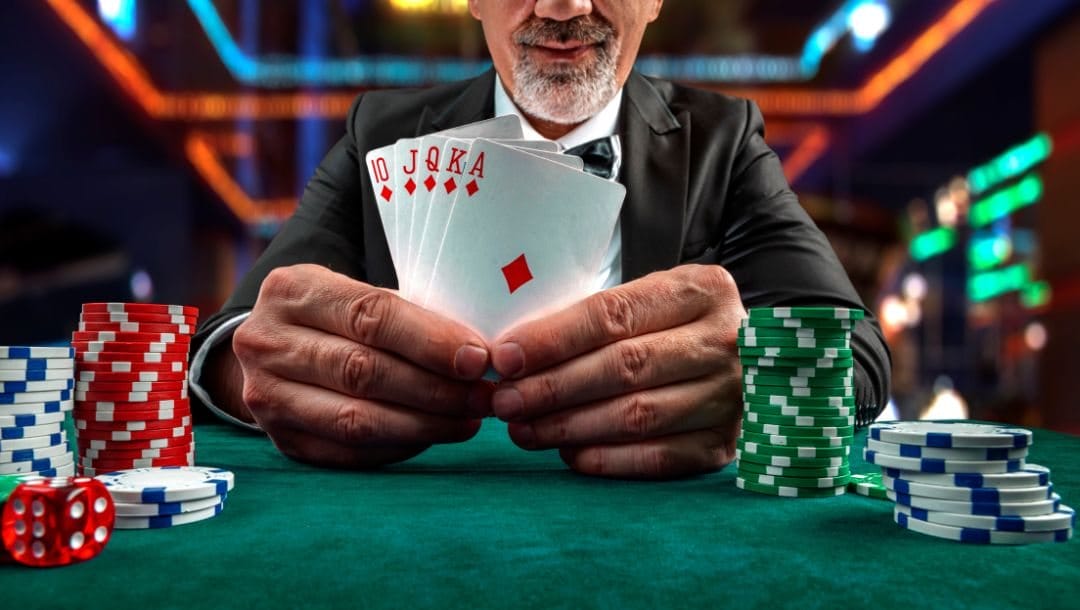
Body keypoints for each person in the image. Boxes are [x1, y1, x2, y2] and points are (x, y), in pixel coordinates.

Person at [190, 0, 892, 479]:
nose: (563, 6)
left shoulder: (725, 141)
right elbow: (234, 340)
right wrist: (254, 372)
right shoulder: (379, 133)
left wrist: (752, 374)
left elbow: (858, 358)